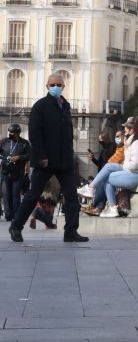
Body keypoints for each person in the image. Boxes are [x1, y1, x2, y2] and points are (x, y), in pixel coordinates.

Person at [9, 74, 88, 243]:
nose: (56, 87)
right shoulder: (40, 106)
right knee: (33, 195)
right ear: (47, 86)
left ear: (63, 86)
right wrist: (42, 156)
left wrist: (70, 153)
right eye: (52, 84)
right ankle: (15, 227)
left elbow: (68, 134)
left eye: (59, 84)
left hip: (65, 161)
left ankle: (71, 231)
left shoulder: (65, 106)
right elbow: (35, 134)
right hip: (46, 161)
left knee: (72, 197)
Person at [94, 119, 138, 218]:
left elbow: (136, 164)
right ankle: (111, 207)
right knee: (107, 171)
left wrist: (123, 167)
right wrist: (126, 145)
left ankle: (94, 191)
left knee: (106, 176)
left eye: (126, 131)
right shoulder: (134, 142)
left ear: (132, 131)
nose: (124, 132)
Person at [78, 124, 128, 215]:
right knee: (104, 183)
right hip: (104, 171)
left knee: (103, 182)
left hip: (113, 170)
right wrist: (93, 158)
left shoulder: (113, 147)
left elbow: (113, 162)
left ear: (106, 138)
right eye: (99, 140)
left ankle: (96, 204)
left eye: (101, 139)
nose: (99, 141)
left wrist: (107, 167)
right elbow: (100, 164)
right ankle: (98, 207)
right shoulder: (104, 149)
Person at [1, 123, 30, 221]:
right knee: (6, 193)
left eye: (12, 133)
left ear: (18, 133)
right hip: (5, 171)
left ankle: (16, 214)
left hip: (18, 172)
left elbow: (29, 155)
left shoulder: (25, 143)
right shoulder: (4, 142)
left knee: (15, 193)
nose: (11, 134)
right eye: (10, 132)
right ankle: (8, 215)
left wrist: (19, 157)